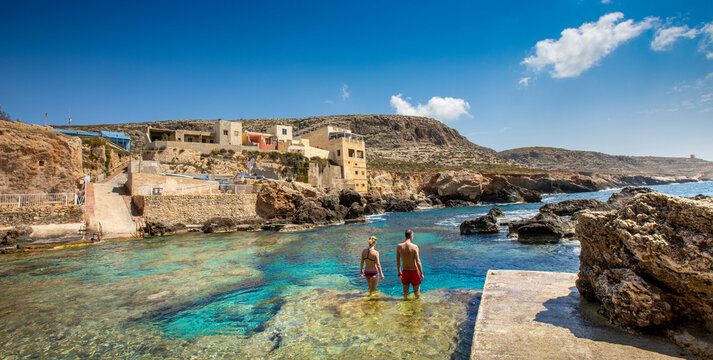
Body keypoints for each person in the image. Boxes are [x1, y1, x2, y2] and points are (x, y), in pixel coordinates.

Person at [396, 229, 424, 299]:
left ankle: (405, 307)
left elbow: (398, 260)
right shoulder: (415, 247)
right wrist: (421, 273)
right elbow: (418, 261)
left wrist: (399, 271)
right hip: (414, 271)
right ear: (411, 236)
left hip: (405, 271)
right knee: (417, 293)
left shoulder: (399, 246)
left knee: (405, 292)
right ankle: (416, 307)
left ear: (405, 236)